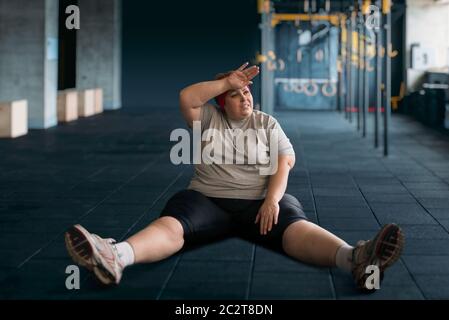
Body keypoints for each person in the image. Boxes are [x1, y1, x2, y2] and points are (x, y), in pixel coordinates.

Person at [64, 62, 404, 292]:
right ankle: (115, 256)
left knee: (294, 224)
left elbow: (284, 162)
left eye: (247, 92)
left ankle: (355, 259)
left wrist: (271, 199)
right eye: (236, 94)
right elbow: (187, 96)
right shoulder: (207, 118)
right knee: (174, 223)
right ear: (222, 102)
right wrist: (227, 81)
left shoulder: (266, 123)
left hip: (261, 204)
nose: (245, 97)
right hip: (207, 201)